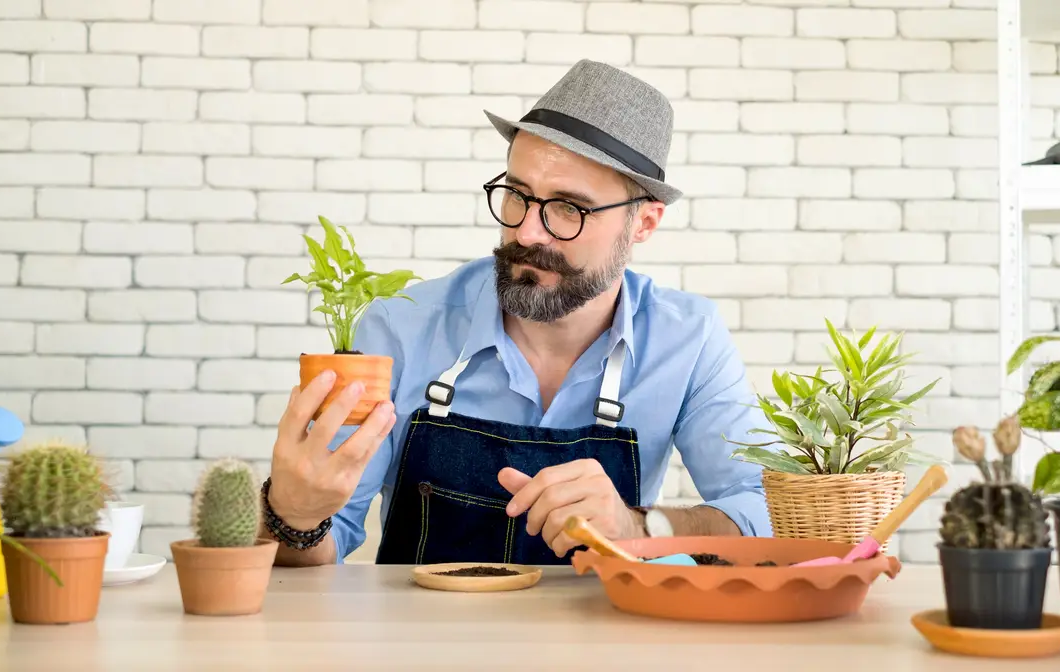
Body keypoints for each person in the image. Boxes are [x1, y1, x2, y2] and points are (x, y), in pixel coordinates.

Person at [259, 59, 772, 567]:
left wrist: (640, 527)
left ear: (643, 224)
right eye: (517, 196)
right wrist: (294, 516)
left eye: (570, 207)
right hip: (421, 644)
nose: (527, 232)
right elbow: (320, 549)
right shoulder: (400, 328)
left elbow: (767, 513)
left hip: (603, 640)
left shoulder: (688, 339)